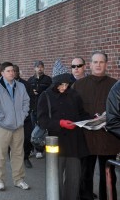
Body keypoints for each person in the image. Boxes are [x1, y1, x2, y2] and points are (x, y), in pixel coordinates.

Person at [38, 59, 89, 200]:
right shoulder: (46, 96)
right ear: (55, 83)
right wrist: (60, 123)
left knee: (73, 180)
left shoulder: (74, 95)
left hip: (74, 143)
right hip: (55, 143)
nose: (64, 87)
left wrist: (93, 119)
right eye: (61, 84)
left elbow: (82, 114)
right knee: (56, 178)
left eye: (67, 84)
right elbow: (42, 121)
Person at [72, 51, 119, 200]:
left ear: (106, 64)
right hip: (87, 136)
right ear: (90, 65)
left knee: (108, 174)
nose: (98, 65)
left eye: (101, 62)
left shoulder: (115, 85)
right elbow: (73, 109)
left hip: (108, 138)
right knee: (85, 173)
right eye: (95, 62)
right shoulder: (78, 85)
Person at [0, 62, 30, 191]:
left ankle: (19, 180)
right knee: (0, 155)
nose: (12, 73)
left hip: (18, 127)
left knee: (18, 154)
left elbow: (26, 102)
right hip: (3, 127)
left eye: (13, 71)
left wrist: (22, 116)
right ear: (2, 73)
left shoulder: (21, 86)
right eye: (8, 71)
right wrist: (3, 118)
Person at [28, 60, 52, 159]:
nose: (40, 68)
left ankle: (40, 150)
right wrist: (32, 92)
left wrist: (41, 91)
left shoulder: (48, 80)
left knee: (42, 129)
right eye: (38, 67)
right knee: (33, 129)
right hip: (33, 108)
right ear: (34, 68)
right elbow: (27, 93)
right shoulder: (30, 80)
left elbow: (50, 91)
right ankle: (32, 149)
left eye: (41, 67)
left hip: (44, 108)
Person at [14, 65, 35, 168]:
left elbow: (32, 99)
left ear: (19, 72)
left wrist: (28, 111)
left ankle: (25, 157)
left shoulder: (26, 84)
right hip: (12, 118)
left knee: (27, 138)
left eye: (16, 71)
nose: (14, 73)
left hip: (25, 117)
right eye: (12, 71)